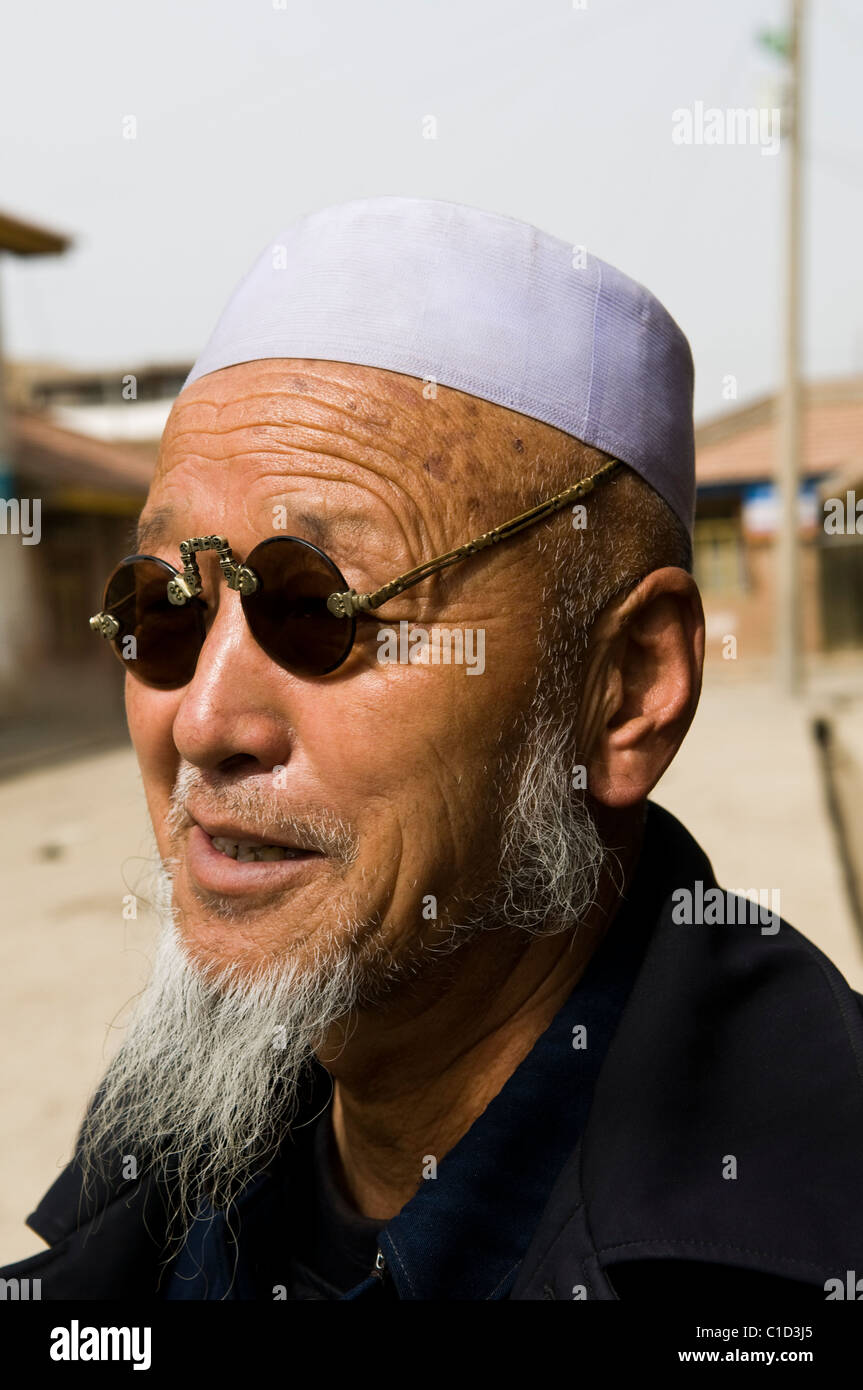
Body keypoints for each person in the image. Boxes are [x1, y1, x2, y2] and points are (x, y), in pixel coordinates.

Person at [4, 196, 862, 1301]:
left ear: (626, 687)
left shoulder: (783, 1246)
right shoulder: (179, 1120)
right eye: (164, 607)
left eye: (322, 608)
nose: (204, 722)